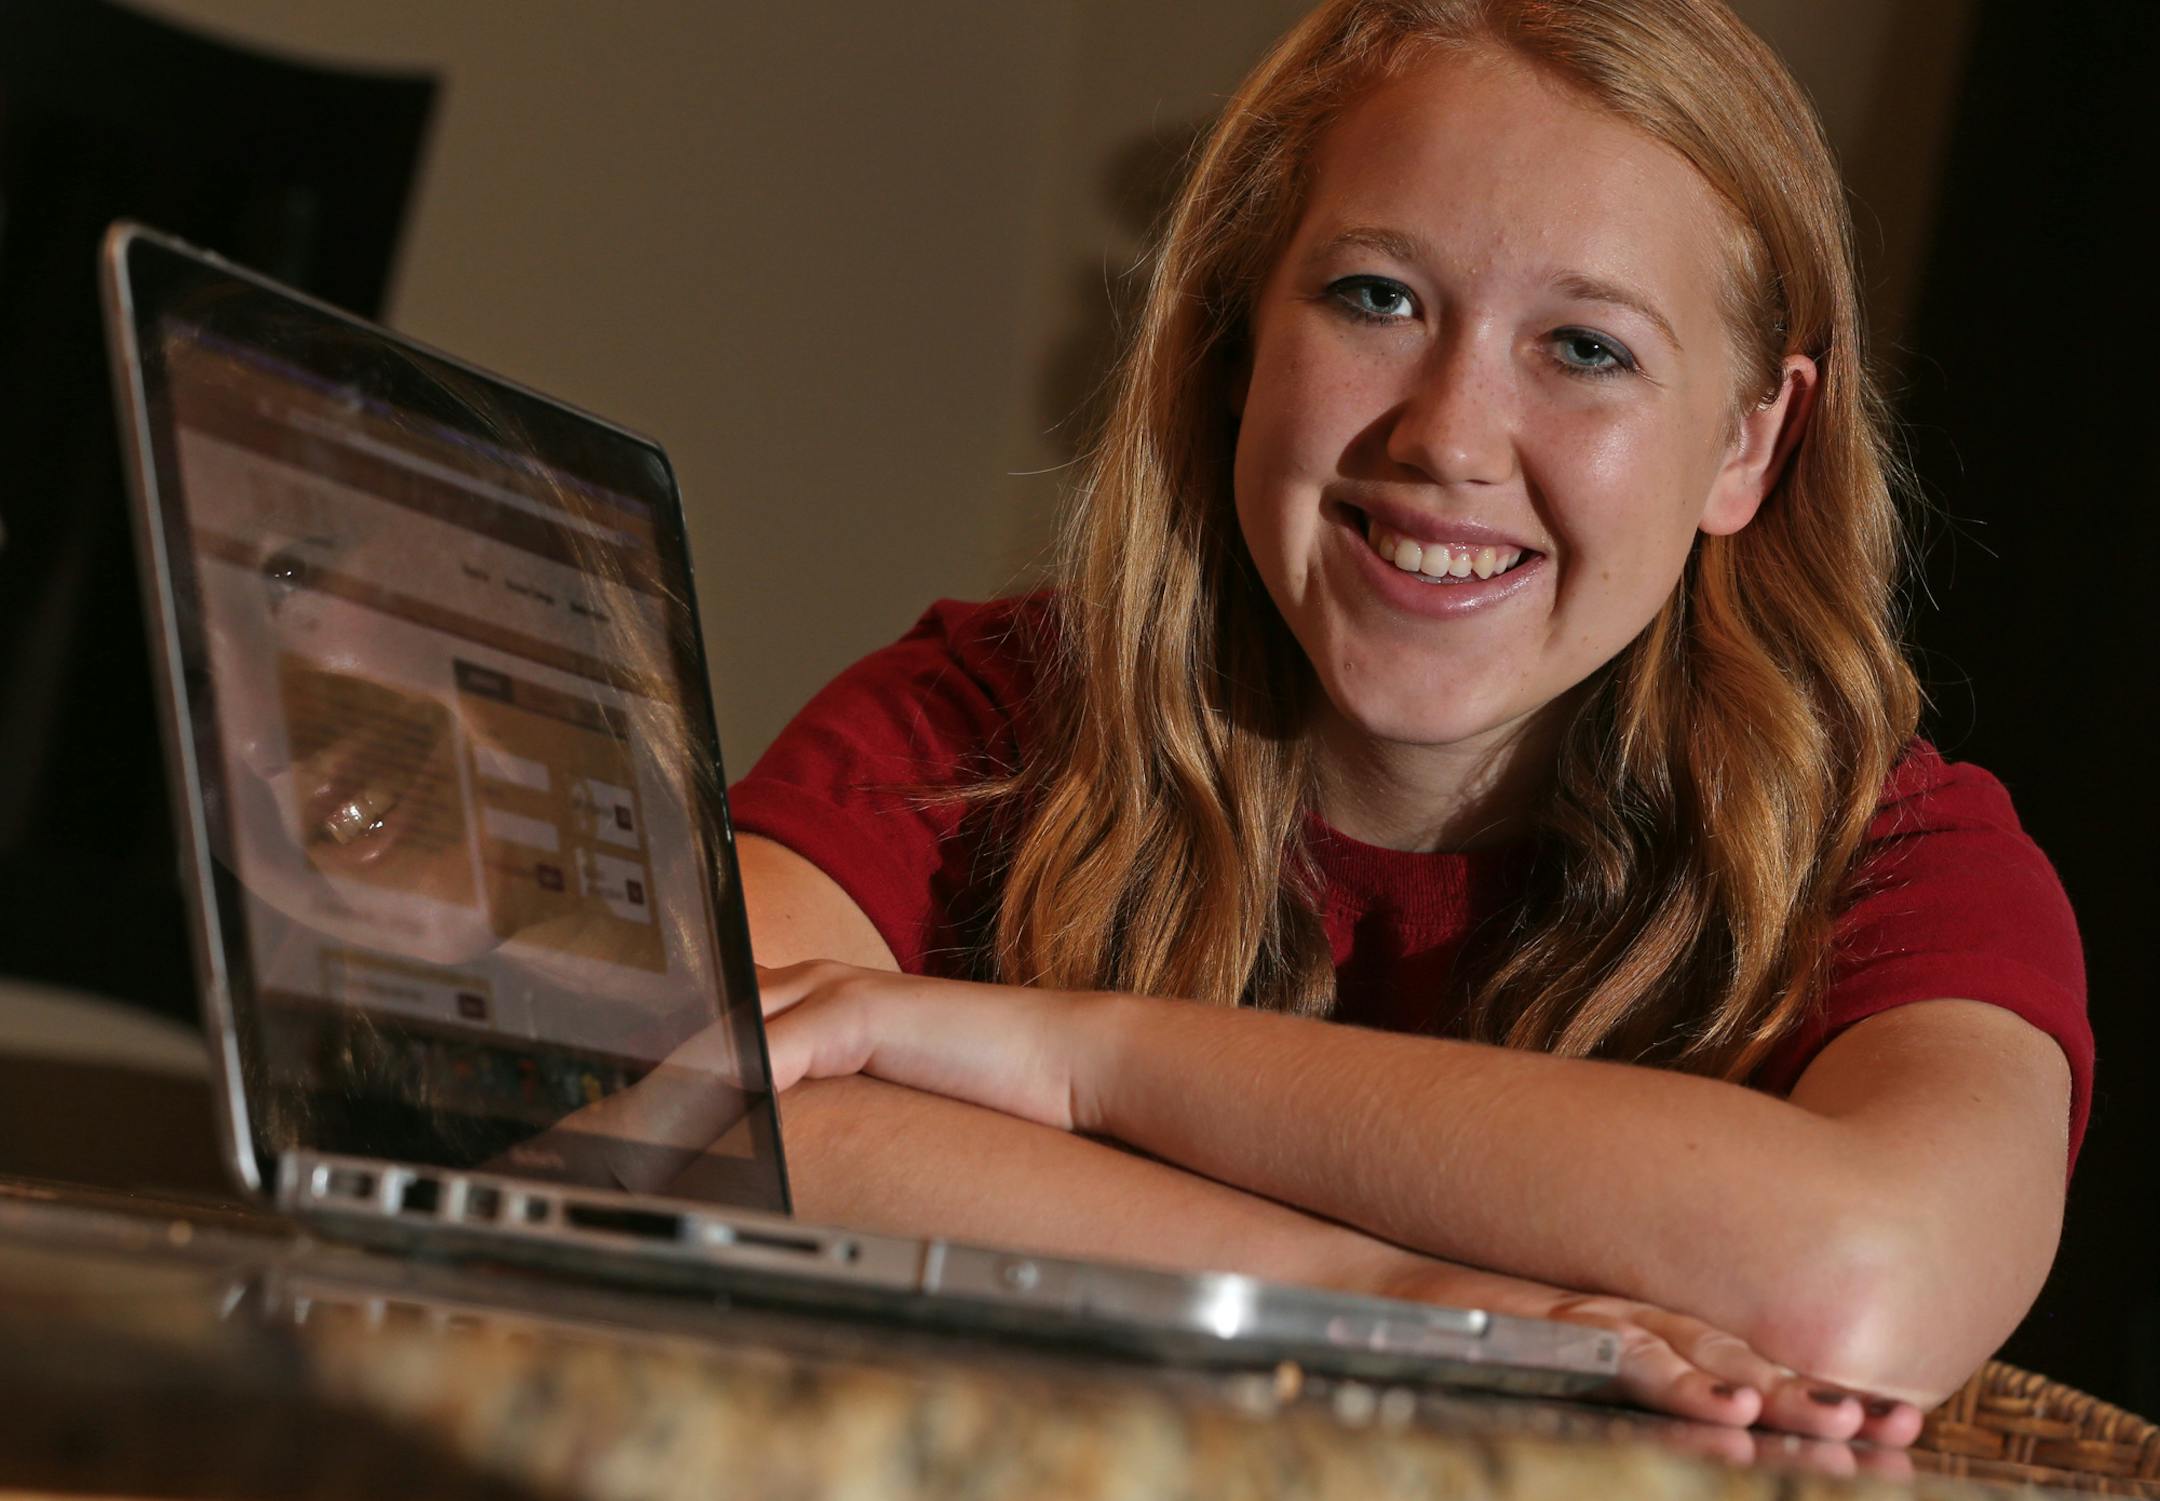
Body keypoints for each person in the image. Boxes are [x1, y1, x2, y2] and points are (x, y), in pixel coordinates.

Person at [726, 0, 2089, 1445]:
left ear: (1751, 442)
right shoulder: (985, 724)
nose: (1446, 433)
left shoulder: (1896, 864)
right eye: (1378, 298)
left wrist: (1084, 1060)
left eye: (1585, 347)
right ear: (1244, 330)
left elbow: (1863, 1286)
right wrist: (1389, 1293)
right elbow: (629, 1088)